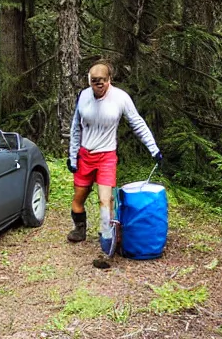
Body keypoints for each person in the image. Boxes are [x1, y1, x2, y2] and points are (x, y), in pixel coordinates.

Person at [66, 61, 162, 249]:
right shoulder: (83, 96)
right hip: (85, 155)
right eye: (94, 82)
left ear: (110, 80)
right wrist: (72, 156)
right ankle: (79, 229)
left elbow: (138, 123)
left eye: (102, 81)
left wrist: (154, 149)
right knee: (78, 200)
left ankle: (107, 238)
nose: (99, 85)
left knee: (105, 199)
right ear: (89, 81)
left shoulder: (121, 98)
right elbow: (75, 127)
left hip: (106, 157)